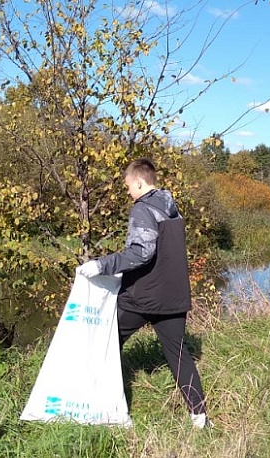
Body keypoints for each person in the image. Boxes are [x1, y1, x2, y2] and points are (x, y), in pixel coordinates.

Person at [75, 158, 210, 429]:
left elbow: (141, 253)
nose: (127, 192)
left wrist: (101, 265)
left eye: (128, 186)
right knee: (179, 355)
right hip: (173, 296)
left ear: (139, 182)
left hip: (143, 296)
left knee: (107, 343)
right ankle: (199, 417)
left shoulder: (142, 210)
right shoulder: (171, 209)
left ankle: (107, 408)